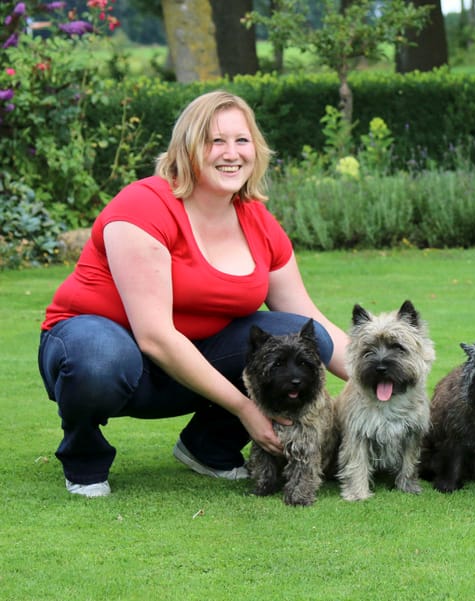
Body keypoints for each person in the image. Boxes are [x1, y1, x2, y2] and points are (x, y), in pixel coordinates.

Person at [38, 90, 349, 498]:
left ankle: (208, 448)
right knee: (99, 356)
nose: (231, 153)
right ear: (187, 148)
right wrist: (245, 409)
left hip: (187, 361)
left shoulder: (257, 220)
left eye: (241, 140)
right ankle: (85, 461)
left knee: (307, 339)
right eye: (215, 141)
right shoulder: (143, 205)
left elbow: (311, 319)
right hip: (104, 352)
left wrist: (382, 378)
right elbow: (154, 336)